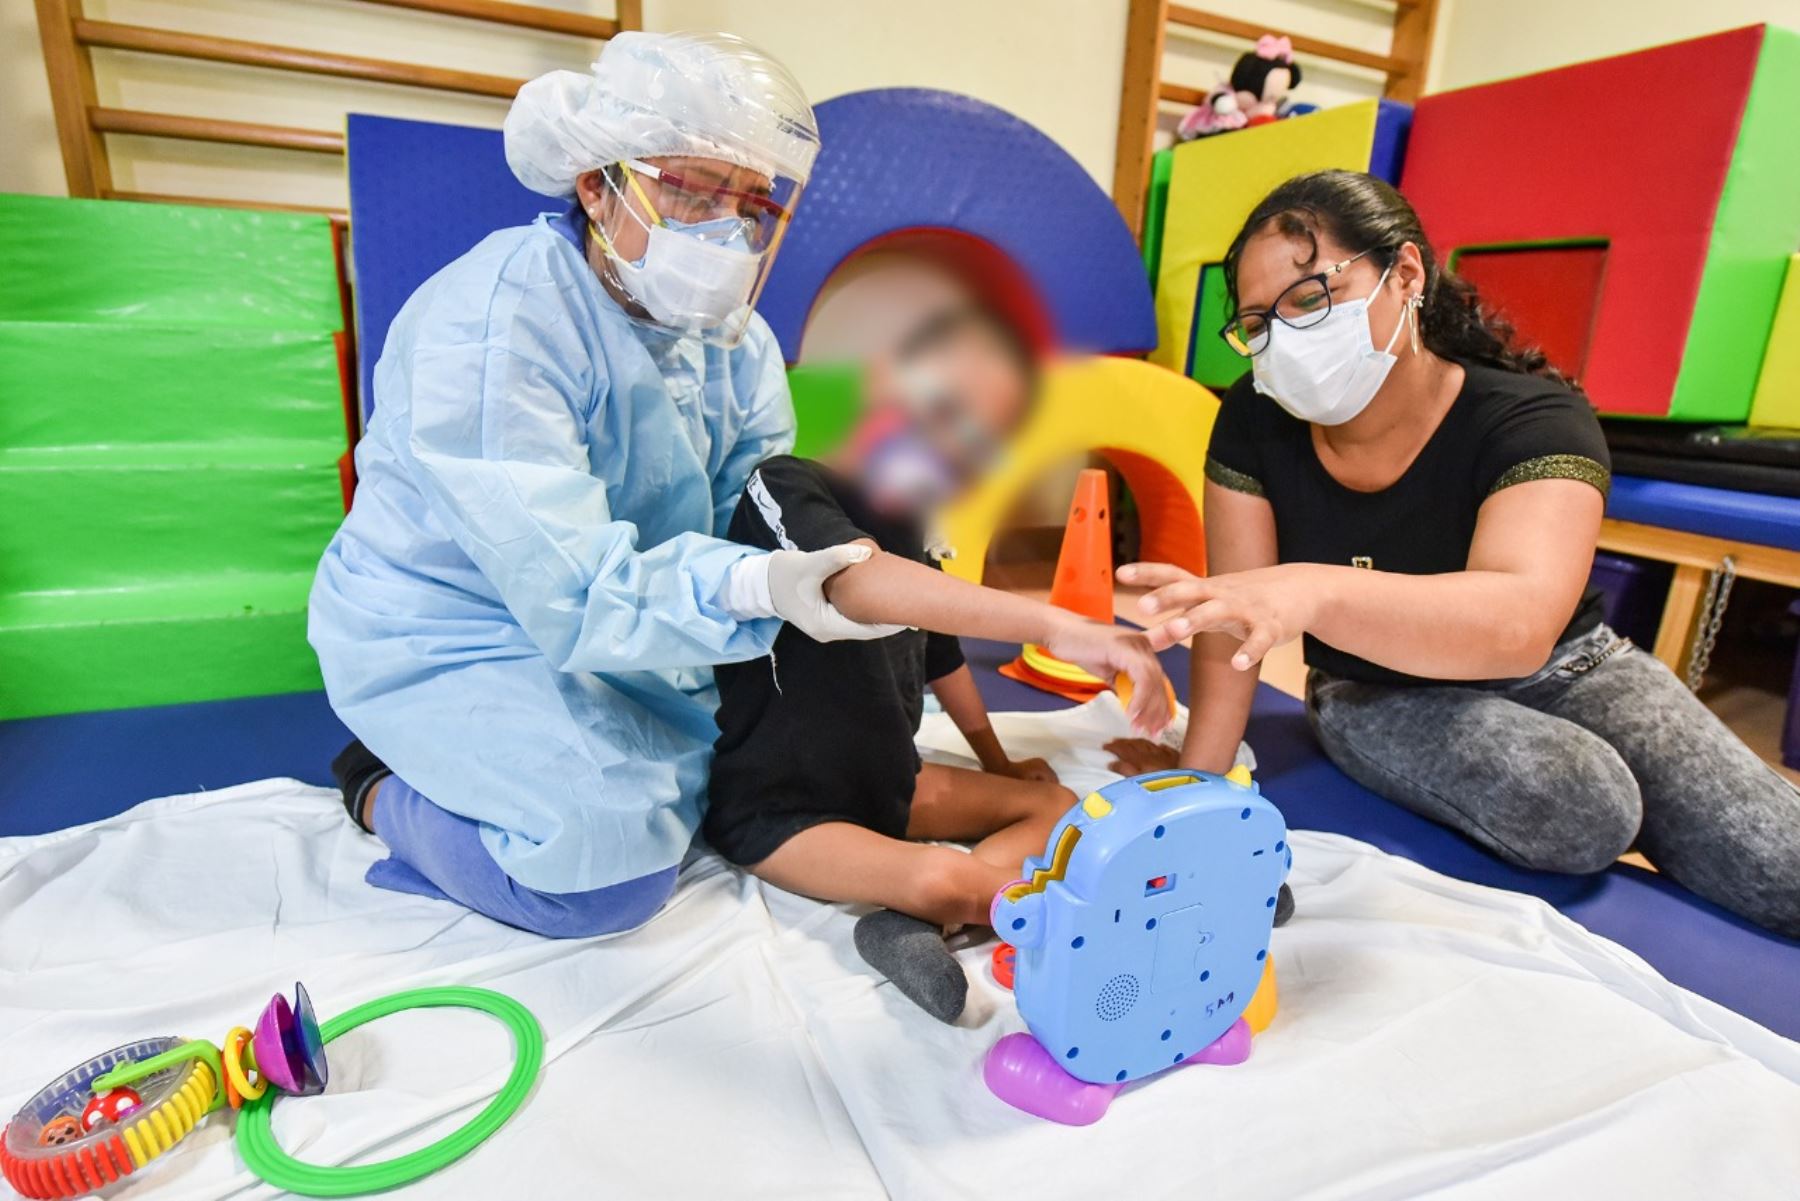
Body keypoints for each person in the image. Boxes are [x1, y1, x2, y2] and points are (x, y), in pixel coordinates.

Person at [308, 33, 900, 939]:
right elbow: (570, 587)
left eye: (748, 205)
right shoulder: (496, 327)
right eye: (693, 190)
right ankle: (377, 786)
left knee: (760, 777)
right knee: (603, 873)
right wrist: (753, 587)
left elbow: (758, 506)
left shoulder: (734, 344)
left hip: (630, 619)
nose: (725, 231)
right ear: (598, 182)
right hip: (453, 625)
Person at [1105, 170, 1800, 939]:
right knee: (1584, 803)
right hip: (1381, 690)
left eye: (1308, 298)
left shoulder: (1533, 417)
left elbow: (1520, 622)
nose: (1284, 339)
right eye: (1258, 323)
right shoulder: (1253, 417)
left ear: (1404, 274)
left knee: (1784, 863)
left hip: (1568, 669)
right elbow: (1230, 627)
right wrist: (1195, 787)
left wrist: (1307, 588)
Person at [705, 305, 1174, 1021]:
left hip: (890, 782)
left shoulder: (915, 531)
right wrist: (1060, 623)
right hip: (783, 812)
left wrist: (998, 762)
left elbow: (944, 660)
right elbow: (856, 580)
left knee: (1057, 808)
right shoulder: (786, 485)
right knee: (940, 875)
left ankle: (907, 926)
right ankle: (1147, 903)